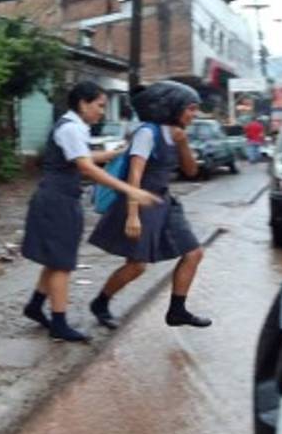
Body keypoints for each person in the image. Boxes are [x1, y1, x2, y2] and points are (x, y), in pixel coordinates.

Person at [21, 81, 161, 342]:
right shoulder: (72, 128)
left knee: (55, 259)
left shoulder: (72, 126)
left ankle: (35, 305)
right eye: (99, 106)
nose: (101, 112)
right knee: (62, 264)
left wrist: (114, 153)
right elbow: (85, 167)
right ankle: (59, 324)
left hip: (59, 199)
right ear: (83, 104)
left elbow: (82, 157)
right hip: (57, 201)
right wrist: (130, 190)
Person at [87, 81, 212, 331]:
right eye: (190, 109)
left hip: (165, 202)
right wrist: (132, 216)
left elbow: (191, 171)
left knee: (194, 253)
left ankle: (177, 310)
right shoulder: (147, 133)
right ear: (175, 108)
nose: (193, 114)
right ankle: (100, 303)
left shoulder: (177, 135)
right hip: (140, 203)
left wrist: (183, 143)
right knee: (136, 266)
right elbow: (135, 175)